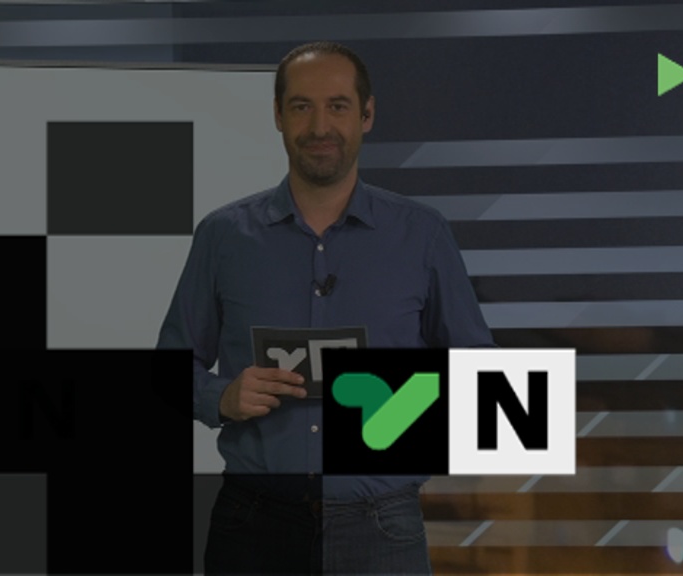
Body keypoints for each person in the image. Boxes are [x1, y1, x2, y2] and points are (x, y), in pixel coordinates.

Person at [158, 41, 495, 575]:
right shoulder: (222, 236)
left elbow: (480, 378)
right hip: (253, 524)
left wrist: (398, 411)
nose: (320, 126)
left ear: (367, 115)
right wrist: (221, 396)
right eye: (301, 106)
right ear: (278, 115)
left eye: (338, 106)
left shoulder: (423, 234)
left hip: (382, 526)